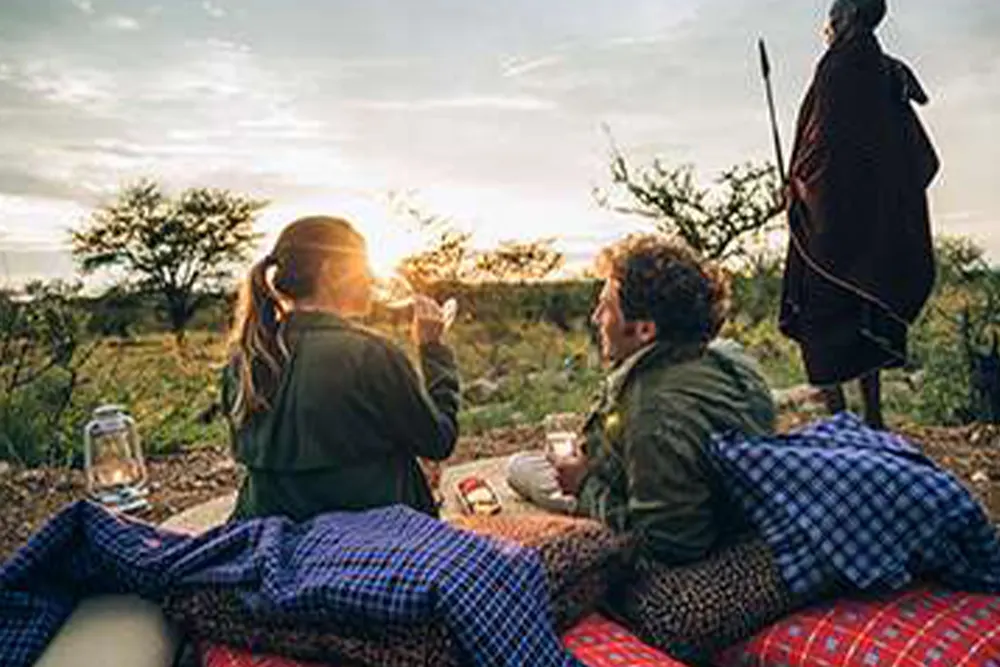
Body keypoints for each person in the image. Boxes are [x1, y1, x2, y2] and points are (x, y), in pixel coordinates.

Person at [508, 234, 776, 565]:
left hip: (686, 527)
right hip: (722, 505)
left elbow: (667, 547)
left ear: (645, 330)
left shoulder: (655, 413)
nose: (595, 318)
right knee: (532, 464)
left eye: (605, 307)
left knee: (519, 467)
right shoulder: (728, 354)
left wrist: (584, 484)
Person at [221, 216, 460, 522]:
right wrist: (433, 350)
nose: (371, 280)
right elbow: (438, 441)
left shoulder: (244, 359)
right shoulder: (370, 354)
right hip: (373, 536)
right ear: (332, 272)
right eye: (363, 268)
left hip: (267, 529)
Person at [779, 0, 940, 429]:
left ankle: (839, 421)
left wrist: (798, 184)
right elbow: (915, 156)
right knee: (865, 308)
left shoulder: (838, 69)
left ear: (847, 17)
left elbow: (826, 147)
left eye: (832, 17)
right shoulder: (888, 71)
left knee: (820, 314)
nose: (826, 26)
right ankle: (873, 417)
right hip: (876, 226)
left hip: (830, 223)